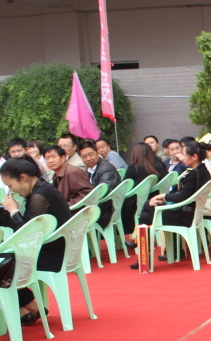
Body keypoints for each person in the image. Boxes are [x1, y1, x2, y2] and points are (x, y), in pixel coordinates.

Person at [0, 157, 73, 325]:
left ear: (23, 178)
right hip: (52, 250)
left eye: (10, 185)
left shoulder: (40, 196)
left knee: (3, 266)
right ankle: (28, 307)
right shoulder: (42, 189)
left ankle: (28, 307)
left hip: (49, 256)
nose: (13, 190)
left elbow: (28, 235)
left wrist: (13, 211)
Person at [133, 141, 211, 268]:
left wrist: (162, 196)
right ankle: (140, 245)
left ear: (194, 157)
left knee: (148, 206)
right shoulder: (201, 171)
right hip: (188, 212)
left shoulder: (195, 174)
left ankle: (140, 245)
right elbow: (184, 195)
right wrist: (164, 200)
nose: (181, 157)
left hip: (185, 216)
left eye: (183, 154)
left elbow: (183, 196)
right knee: (146, 216)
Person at [122, 142, 167, 237]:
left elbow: (124, 186)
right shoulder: (159, 166)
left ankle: (125, 235)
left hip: (137, 204)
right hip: (157, 200)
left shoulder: (134, 168)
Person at [79, 139, 121, 228]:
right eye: (84, 156)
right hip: (97, 207)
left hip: (106, 209)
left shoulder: (106, 168)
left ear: (97, 153)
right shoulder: (88, 171)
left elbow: (102, 192)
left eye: (91, 154)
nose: (88, 158)